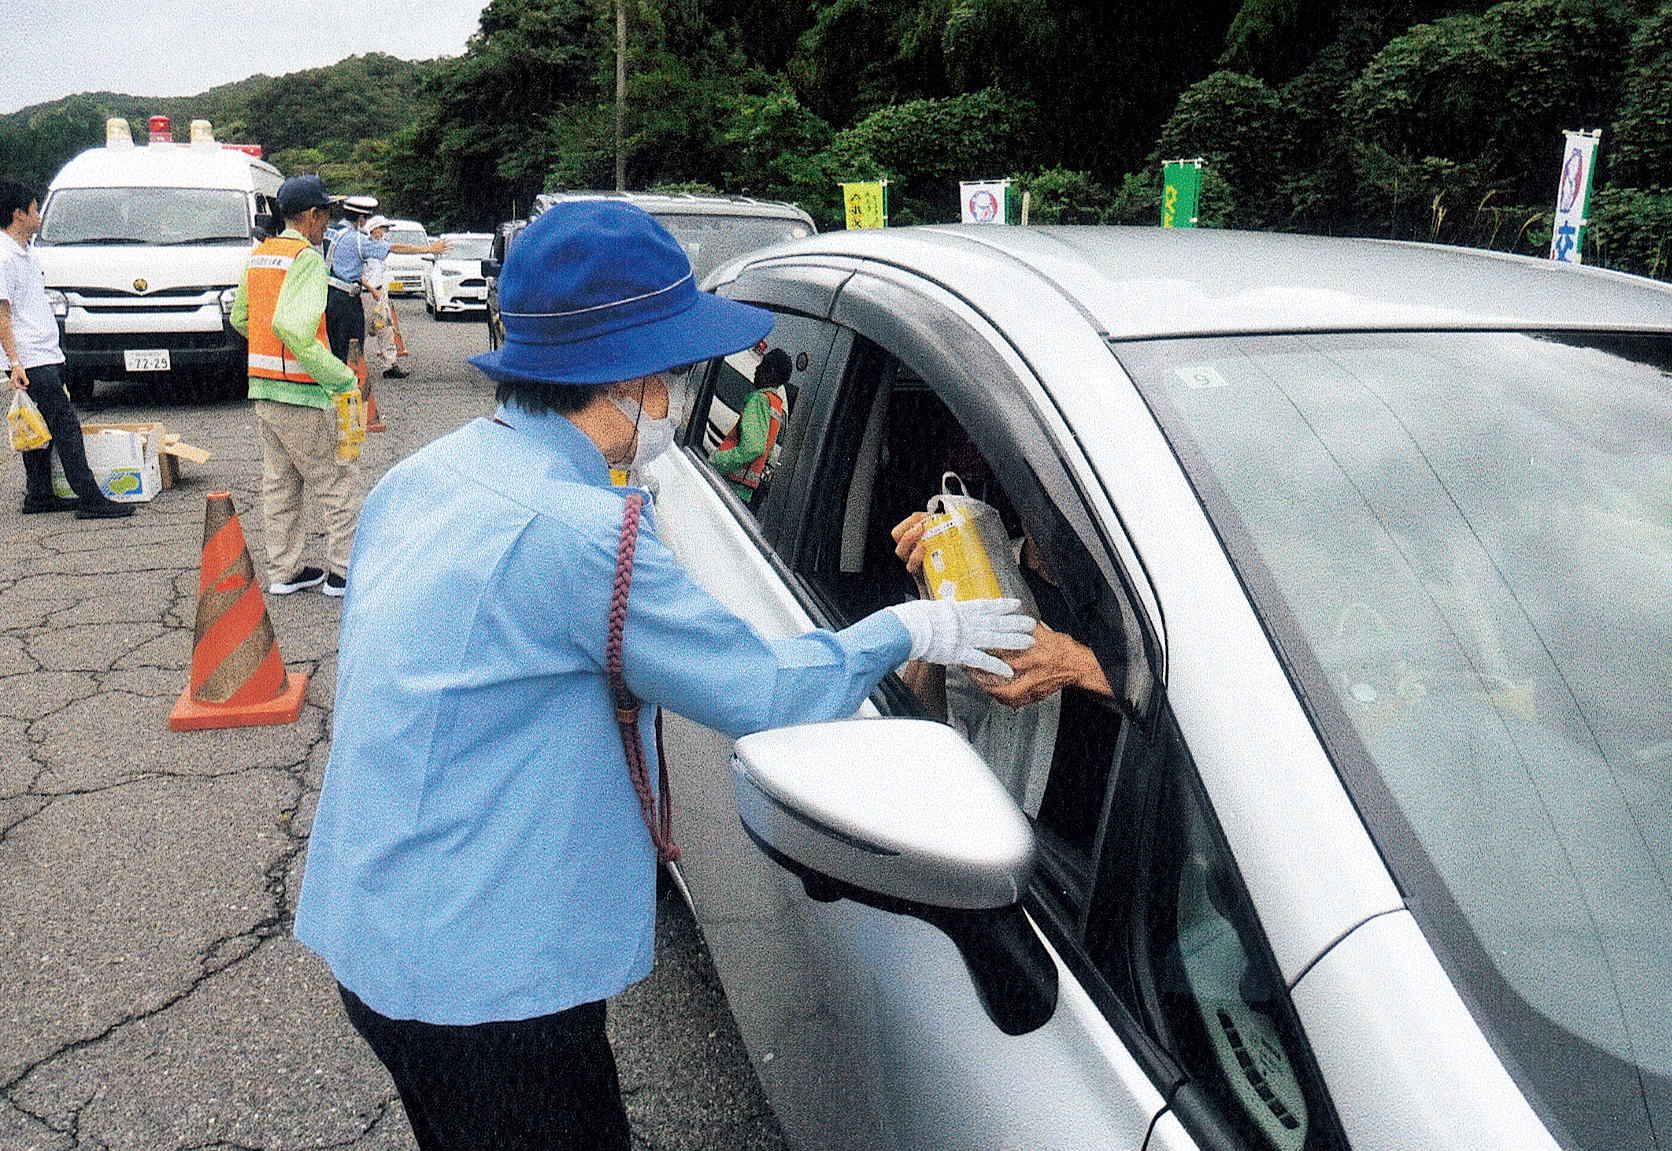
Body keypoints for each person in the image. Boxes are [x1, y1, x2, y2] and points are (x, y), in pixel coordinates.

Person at [290, 200, 1036, 1151]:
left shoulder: (428, 475)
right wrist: (910, 624)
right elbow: (766, 688)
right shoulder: (591, 534)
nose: (675, 399)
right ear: (625, 377)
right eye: (672, 373)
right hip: (487, 983)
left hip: (378, 927)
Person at [229, 174, 361, 597]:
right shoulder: (306, 260)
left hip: (264, 389)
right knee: (336, 481)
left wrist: (271, 350)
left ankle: (285, 572)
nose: (327, 224)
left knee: (280, 485)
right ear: (310, 215)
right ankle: (342, 573)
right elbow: (293, 328)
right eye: (325, 215)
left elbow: (239, 319)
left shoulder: (260, 255)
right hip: (303, 391)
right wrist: (341, 377)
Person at [1, 176, 134, 519]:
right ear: (18, 214)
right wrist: (14, 361)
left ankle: (40, 495)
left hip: (43, 352)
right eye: (33, 209)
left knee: (38, 426)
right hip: (29, 357)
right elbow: (2, 312)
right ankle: (90, 498)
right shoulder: (4, 256)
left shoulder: (26, 251)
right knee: (65, 426)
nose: (38, 215)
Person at [325, 201, 445, 373]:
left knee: (336, 347)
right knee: (353, 350)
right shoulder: (358, 239)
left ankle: (340, 386)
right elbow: (395, 248)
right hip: (349, 299)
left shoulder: (329, 232)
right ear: (360, 219)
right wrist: (428, 248)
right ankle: (350, 390)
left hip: (329, 296)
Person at [708, 345, 790, 503]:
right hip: (744, 492)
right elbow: (766, 450)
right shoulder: (776, 406)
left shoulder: (759, 400)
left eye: (762, 365)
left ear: (770, 373)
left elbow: (753, 448)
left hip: (730, 484)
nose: (757, 368)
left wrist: (717, 461)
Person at [359, 215, 405, 379]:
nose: (385, 232)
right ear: (374, 229)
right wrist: (372, 289)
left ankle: (390, 365)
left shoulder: (380, 248)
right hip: (367, 294)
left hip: (379, 293)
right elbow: (358, 274)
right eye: (383, 229)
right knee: (361, 330)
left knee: (385, 329)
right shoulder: (362, 247)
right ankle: (353, 365)